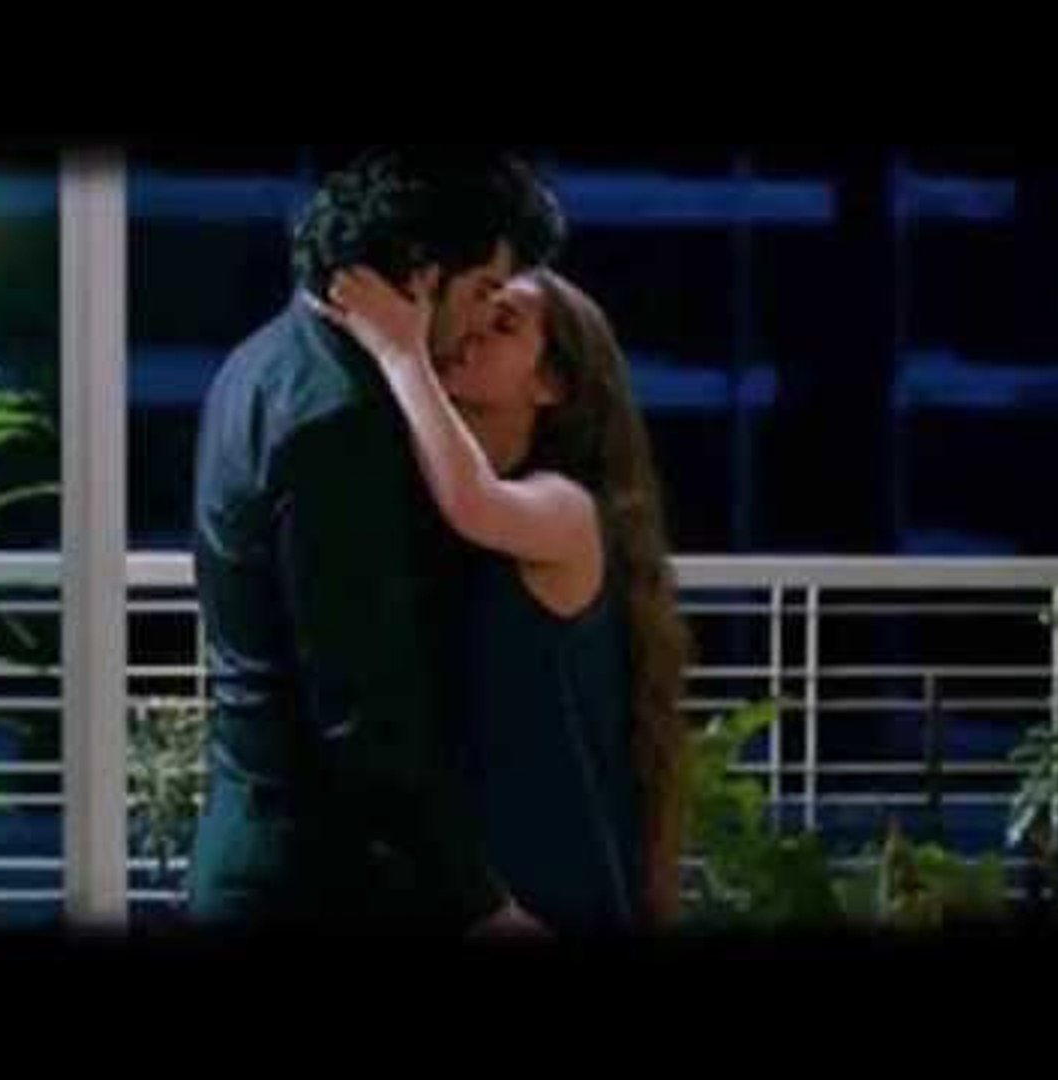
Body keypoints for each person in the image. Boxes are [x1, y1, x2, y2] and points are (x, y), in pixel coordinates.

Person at [186, 148, 566, 932]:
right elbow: (365, 706)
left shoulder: (261, 362)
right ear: (422, 273)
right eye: (483, 290)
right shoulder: (341, 419)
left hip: (266, 848)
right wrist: (483, 904)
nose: (478, 326)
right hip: (321, 880)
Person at [317, 263, 695, 931]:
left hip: (551, 895)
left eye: (504, 323)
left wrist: (400, 350)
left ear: (551, 384)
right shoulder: (440, 496)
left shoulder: (568, 509)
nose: (473, 329)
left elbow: (474, 502)